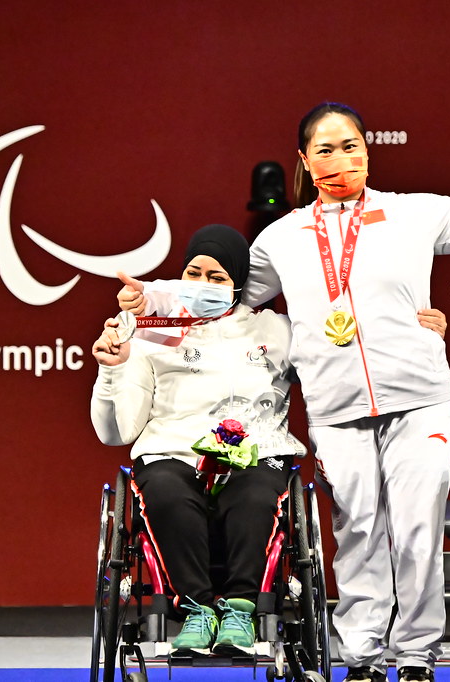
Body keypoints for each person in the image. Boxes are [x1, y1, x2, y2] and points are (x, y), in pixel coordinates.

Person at [116, 101, 450, 682]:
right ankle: (364, 657)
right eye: (324, 148)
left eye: (350, 146)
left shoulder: (410, 215)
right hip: (336, 406)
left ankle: (418, 655)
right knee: (359, 532)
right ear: (304, 159)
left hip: (419, 400)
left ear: (368, 151)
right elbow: (226, 295)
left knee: (418, 529)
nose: (340, 158)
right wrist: (152, 299)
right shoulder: (283, 238)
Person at [91, 224, 308, 657]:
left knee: (253, 493)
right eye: (194, 273)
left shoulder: (279, 330)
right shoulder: (151, 330)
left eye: (217, 278)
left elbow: (347, 354)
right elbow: (116, 432)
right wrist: (112, 368)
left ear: (240, 284)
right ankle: (196, 609)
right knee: (168, 491)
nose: (202, 286)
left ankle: (240, 611)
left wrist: (421, 333)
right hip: (171, 449)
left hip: (258, 450)